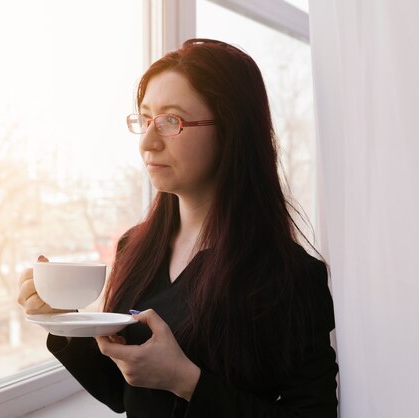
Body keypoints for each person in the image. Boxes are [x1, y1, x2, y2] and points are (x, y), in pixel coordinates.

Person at [17, 38, 338, 417]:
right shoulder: (134, 248)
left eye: (171, 121)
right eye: (145, 119)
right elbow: (122, 392)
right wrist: (62, 322)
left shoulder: (291, 277)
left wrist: (186, 381)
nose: (147, 143)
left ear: (232, 130)